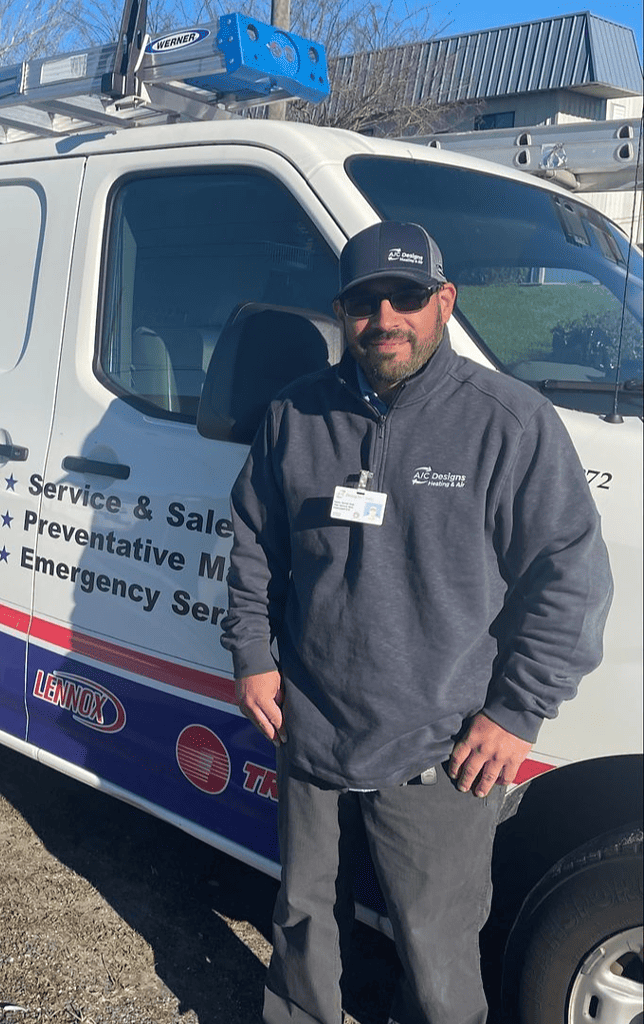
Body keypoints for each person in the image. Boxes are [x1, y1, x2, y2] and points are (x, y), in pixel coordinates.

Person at [221, 221, 613, 1024]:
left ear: (445, 302)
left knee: (437, 951)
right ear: (342, 312)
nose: (386, 318)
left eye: (407, 297)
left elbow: (569, 574)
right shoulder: (297, 415)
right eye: (366, 301)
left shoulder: (510, 422)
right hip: (311, 723)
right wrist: (253, 655)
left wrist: (515, 710)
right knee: (303, 920)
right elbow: (254, 543)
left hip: (443, 747)